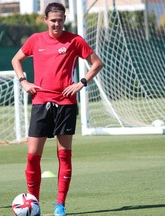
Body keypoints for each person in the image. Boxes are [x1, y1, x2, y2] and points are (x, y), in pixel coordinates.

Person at [11, 2, 103, 216]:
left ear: (64, 20)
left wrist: (81, 82)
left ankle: (60, 205)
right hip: (41, 102)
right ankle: (34, 204)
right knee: (33, 156)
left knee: (64, 156)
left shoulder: (75, 40)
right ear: (45, 20)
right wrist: (24, 81)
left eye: (60, 20)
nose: (57, 24)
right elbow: (16, 60)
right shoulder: (36, 40)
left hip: (66, 104)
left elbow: (97, 63)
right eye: (53, 20)